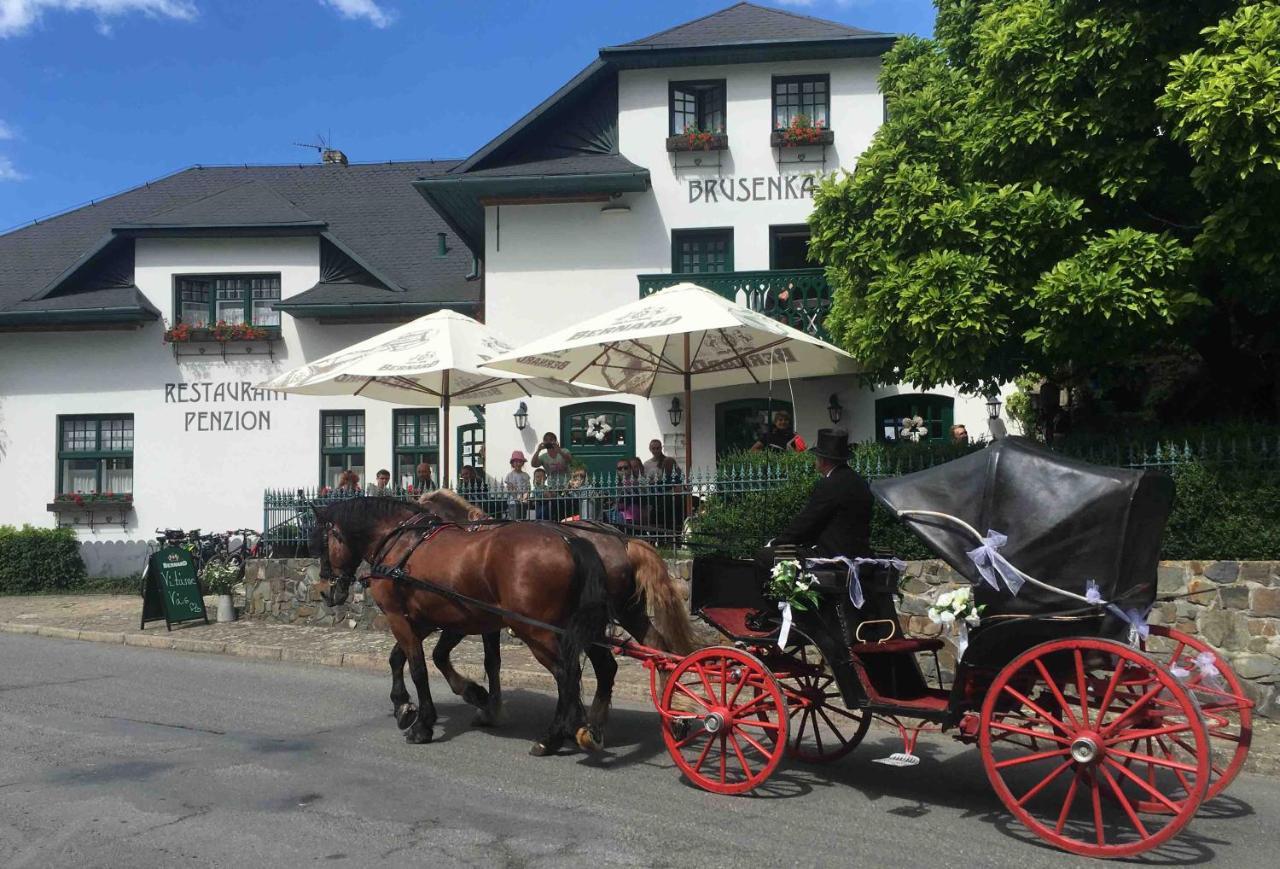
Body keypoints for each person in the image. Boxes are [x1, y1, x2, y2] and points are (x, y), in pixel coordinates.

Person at [771, 428, 873, 558]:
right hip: (860, 553)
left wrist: (777, 543)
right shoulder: (860, 482)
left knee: (764, 557)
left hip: (833, 554)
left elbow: (807, 521)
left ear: (823, 461)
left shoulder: (830, 484)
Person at [503, 450, 531, 519]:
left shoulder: (526, 475)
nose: (518, 463)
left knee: (523, 519)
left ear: (523, 463)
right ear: (512, 463)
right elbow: (510, 487)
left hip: (523, 501)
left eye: (520, 461)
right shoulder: (510, 475)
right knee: (514, 520)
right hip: (513, 501)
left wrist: (525, 497)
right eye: (516, 461)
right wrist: (517, 497)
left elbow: (528, 488)